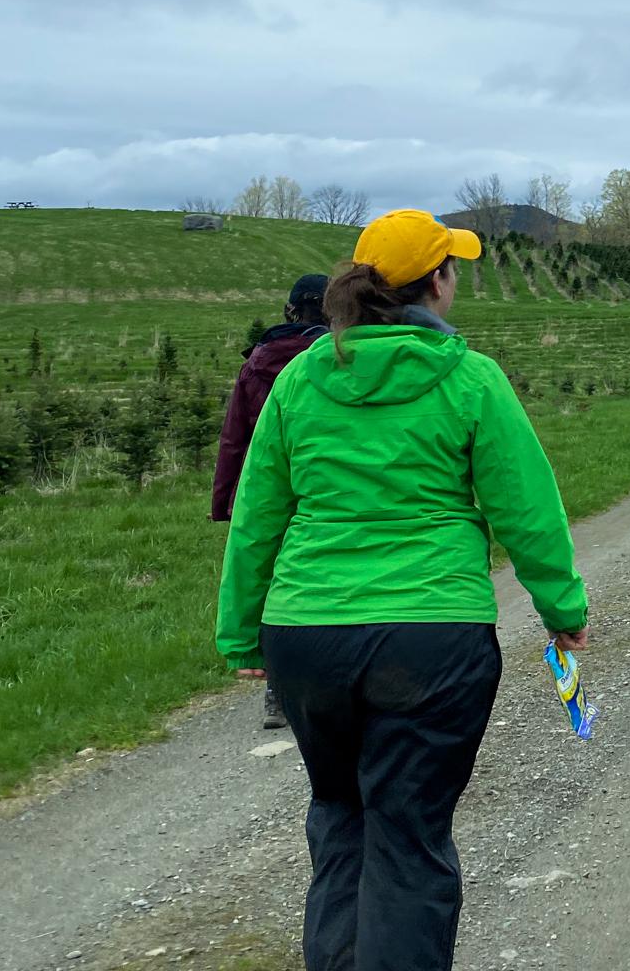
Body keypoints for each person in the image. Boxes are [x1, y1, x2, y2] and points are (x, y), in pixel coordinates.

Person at [216, 209, 588, 971]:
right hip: (432, 640)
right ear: (437, 284)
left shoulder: (297, 379)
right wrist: (563, 610)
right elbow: (526, 509)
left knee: (340, 814)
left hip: (307, 640)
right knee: (408, 833)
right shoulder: (469, 378)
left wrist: (242, 632)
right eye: (453, 268)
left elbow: (257, 517)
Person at [212, 273, 331, 728]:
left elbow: (234, 436)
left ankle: (276, 690)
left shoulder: (257, 363)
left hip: (263, 490)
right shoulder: (336, 359)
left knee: (269, 577)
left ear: (289, 311)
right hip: (317, 484)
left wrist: (227, 499)